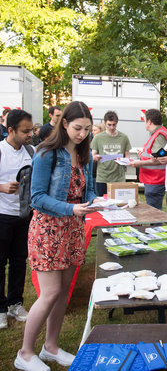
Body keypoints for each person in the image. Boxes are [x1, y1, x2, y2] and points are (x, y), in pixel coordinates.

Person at [14, 101, 99, 371]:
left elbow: (90, 192)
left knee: (63, 292)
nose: (82, 133)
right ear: (64, 124)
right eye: (77, 128)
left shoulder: (84, 156)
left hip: (72, 229)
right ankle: (25, 353)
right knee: (49, 293)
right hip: (48, 229)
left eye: (86, 129)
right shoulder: (46, 153)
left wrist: (106, 203)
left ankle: (50, 347)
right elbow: (36, 198)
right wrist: (71, 208)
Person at [0, 110, 34, 330]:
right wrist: (1, 187)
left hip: (24, 215)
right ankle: (1, 309)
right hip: (2, 215)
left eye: (31, 129)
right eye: (25, 131)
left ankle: (15, 302)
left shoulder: (31, 151)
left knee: (19, 261)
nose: (30, 134)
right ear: (10, 130)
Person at [129, 109, 167, 210]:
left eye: (144, 120)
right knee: (154, 211)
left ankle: (156, 226)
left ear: (150, 122)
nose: (144, 123)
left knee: (154, 213)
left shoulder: (159, 135)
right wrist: (142, 155)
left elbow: (158, 159)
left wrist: (139, 163)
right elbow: (154, 154)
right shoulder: (158, 133)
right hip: (153, 179)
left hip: (155, 180)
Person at [91, 111, 131, 197]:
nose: (112, 127)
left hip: (119, 178)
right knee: (103, 204)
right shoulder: (98, 137)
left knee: (119, 203)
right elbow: (92, 155)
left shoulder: (124, 137)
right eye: (109, 125)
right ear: (105, 123)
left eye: (114, 124)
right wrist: (95, 157)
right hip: (103, 177)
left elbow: (127, 155)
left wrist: (125, 161)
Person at [91, 123, 105, 196]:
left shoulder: (104, 143)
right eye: (92, 130)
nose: (92, 132)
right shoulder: (91, 141)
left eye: (95, 130)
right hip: (91, 174)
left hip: (99, 175)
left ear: (101, 131)